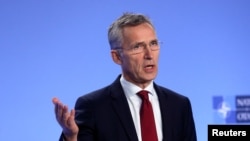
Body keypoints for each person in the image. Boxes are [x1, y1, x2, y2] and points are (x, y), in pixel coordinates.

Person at [52, 12, 197, 141]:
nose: (149, 54)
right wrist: (71, 137)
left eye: (153, 44)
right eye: (137, 47)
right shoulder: (93, 106)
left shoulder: (179, 105)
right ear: (117, 57)